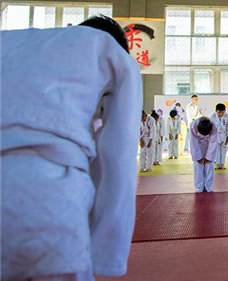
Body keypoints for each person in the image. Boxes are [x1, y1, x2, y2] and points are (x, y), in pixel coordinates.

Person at [0, 15, 143, 279]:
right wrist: (107, 253)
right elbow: (119, 154)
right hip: (46, 195)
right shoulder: (106, 49)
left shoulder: (9, 41)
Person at [189, 117, 218, 192]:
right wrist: (197, 157)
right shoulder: (193, 126)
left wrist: (209, 157)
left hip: (209, 143)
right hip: (198, 144)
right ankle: (199, 186)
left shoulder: (214, 126)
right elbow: (193, 142)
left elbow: (214, 142)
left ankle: (208, 185)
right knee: (198, 164)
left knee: (209, 164)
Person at [211, 103, 228, 170]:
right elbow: (211, 128)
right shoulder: (213, 116)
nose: (220, 114)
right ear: (216, 111)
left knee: (224, 149)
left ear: (225, 111)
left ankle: (222, 164)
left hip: (224, 135)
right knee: (217, 150)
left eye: (222, 112)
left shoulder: (227, 116)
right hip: (216, 135)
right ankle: (217, 164)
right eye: (219, 112)